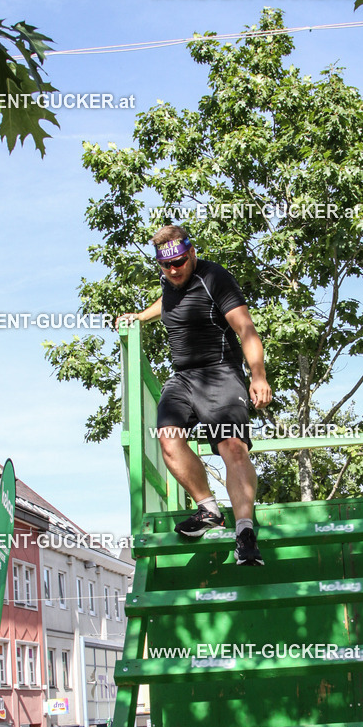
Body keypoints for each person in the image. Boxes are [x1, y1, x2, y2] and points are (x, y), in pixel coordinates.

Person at [118, 226, 272, 566]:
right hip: (183, 378)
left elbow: (245, 328)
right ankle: (208, 509)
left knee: (231, 445)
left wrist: (258, 376)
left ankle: (245, 532)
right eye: (166, 265)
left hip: (220, 372)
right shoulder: (169, 279)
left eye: (180, 262)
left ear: (192, 253)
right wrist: (141, 316)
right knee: (168, 439)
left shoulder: (214, 277)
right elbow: (168, 300)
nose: (174, 270)